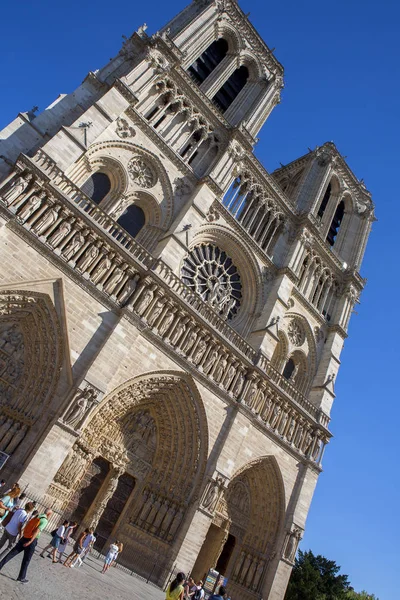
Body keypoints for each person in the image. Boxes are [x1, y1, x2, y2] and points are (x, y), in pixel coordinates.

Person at [0, 508, 52, 583]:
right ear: (49, 514)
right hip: (32, 540)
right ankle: (21, 577)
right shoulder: (45, 520)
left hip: (25, 537)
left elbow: (28, 524)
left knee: (12, 553)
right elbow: (37, 531)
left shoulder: (37, 516)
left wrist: (23, 534)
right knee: (26, 560)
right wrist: (30, 541)